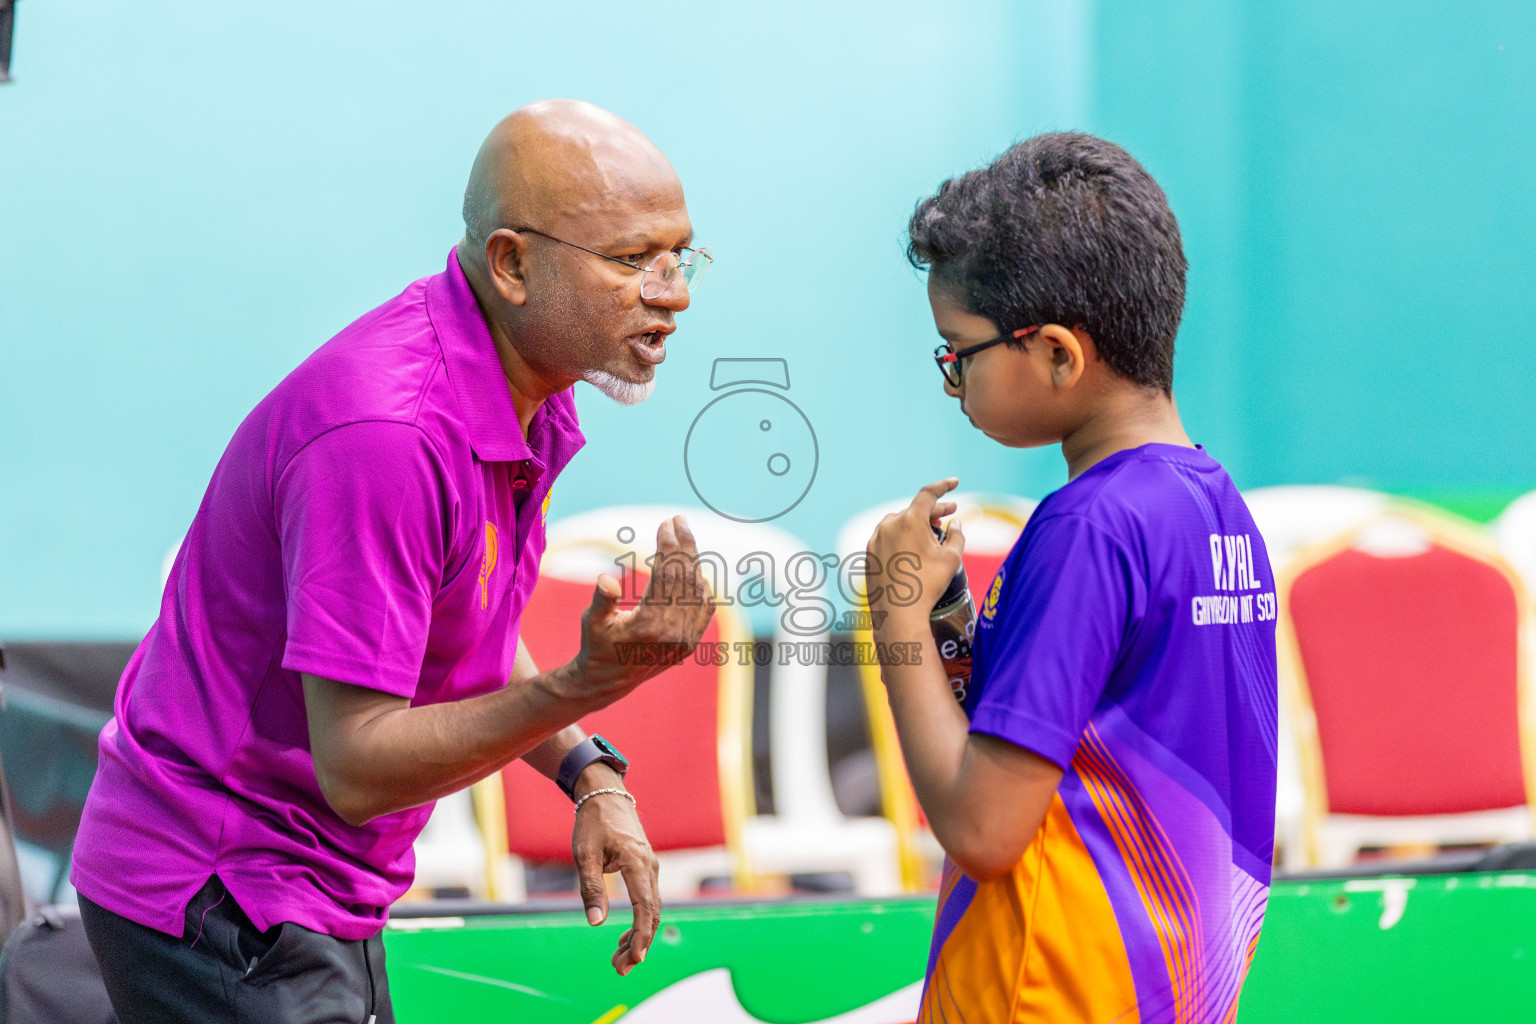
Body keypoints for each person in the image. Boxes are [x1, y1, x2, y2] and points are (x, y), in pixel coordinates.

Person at [70, 99, 716, 1023]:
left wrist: (590, 772)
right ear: (511, 263)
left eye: (679, 254)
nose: (673, 291)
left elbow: (468, 643)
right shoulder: (391, 434)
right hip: (221, 888)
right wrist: (584, 685)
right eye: (630, 260)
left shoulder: (524, 385)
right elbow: (360, 767)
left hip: (313, 883)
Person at [866, 132, 1278, 1023]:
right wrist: (949, 622)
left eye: (958, 355)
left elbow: (984, 827)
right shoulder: (1216, 508)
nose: (953, 384)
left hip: (1047, 989)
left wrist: (894, 617)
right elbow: (1077, 737)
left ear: (1057, 352)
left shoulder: (1088, 526)